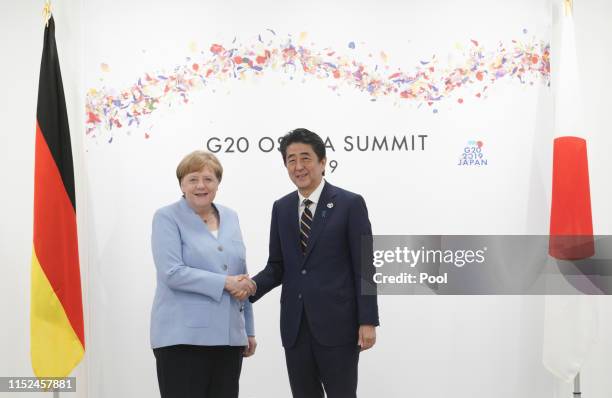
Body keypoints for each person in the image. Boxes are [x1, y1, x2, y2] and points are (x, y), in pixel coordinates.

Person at [250, 128, 379, 398]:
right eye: (291, 160)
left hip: (339, 326)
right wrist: (250, 287)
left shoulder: (349, 203)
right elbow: (277, 266)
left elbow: (365, 267)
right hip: (296, 327)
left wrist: (367, 320)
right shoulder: (281, 207)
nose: (299, 166)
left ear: (323, 162)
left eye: (306, 158)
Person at [150, 150, 257, 398]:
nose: (201, 185)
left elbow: (240, 274)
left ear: (218, 183)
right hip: (182, 340)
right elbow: (172, 272)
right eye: (193, 179)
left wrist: (247, 330)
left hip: (229, 340)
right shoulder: (166, 217)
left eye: (208, 179)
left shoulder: (231, 216)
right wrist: (225, 282)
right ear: (182, 184)